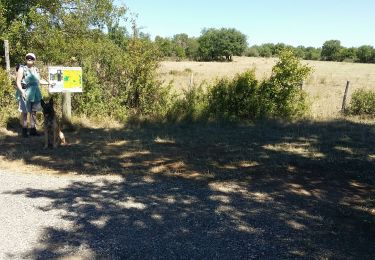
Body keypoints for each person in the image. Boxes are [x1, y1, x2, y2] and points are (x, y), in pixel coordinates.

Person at [15, 53, 49, 137]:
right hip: (25, 92)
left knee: (34, 112)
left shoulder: (36, 69)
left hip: (35, 93)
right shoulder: (22, 69)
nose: (29, 59)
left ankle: (33, 130)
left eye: (31, 58)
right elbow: (18, 82)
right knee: (25, 112)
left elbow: (38, 81)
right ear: (26, 59)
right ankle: (24, 131)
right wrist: (22, 92)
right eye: (28, 58)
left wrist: (49, 83)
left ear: (34, 60)